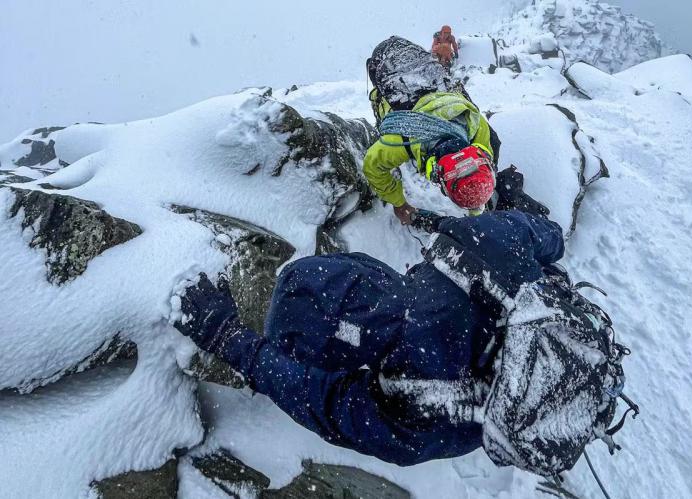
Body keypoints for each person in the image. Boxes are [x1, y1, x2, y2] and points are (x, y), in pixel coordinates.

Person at [172, 190, 632, 474]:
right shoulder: (448, 418)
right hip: (445, 399)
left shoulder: (495, 238)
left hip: (341, 328)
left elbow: (323, 400)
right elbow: (328, 403)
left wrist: (226, 337)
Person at [364, 37, 501, 226]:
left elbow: (471, 171)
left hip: (415, 58)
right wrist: (398, 202)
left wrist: (475, 203)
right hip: (383, 62)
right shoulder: (403, 138)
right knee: (382, 98)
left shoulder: (474, 123)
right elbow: (373, 166)